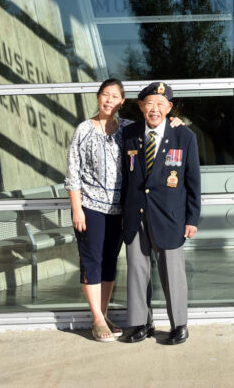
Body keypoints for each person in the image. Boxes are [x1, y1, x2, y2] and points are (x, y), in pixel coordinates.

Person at [64, 78, 182, 342]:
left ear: (122, 102)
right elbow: (72, 173)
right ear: (98, 97)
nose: (109, 100)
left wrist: (176, 121)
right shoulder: (83, 130)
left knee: (109, 263)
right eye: (105, 94)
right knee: (92, 261)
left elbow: (157, 124)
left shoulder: (129, 129)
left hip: (120, 210)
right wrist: (76, 209)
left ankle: (104, 314)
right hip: (91, 207)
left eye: (115, 96)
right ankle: (96, 318)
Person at [119, 81, 201, 346]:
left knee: (173, 274)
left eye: (160, 104)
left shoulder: (184, 136)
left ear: (169, 108)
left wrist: (192, 219)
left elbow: (193, 181)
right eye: (149, 103)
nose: (154, 109)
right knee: (137, 271)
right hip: (135, 214)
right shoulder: (129, 133)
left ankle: (179, 325)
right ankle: (141, 323)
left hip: (170, 217)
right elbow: (125, 177)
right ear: (141, 106)